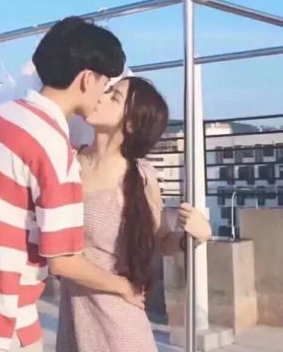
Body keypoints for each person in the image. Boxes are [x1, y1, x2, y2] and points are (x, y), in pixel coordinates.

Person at [0, 17, 145, 352]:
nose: (102, 94)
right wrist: (122, 286)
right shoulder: (52, 148)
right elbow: (64, 261)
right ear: (86, 79)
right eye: (105, 83)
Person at [57, 77, 212, 352]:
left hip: (120, 323)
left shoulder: (140, 177)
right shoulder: (66, 162)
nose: (101, 96)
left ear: (130, 124)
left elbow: (157, 240)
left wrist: (195, 236)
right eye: (107, 90)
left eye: (114, 97)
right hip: (74, 319)